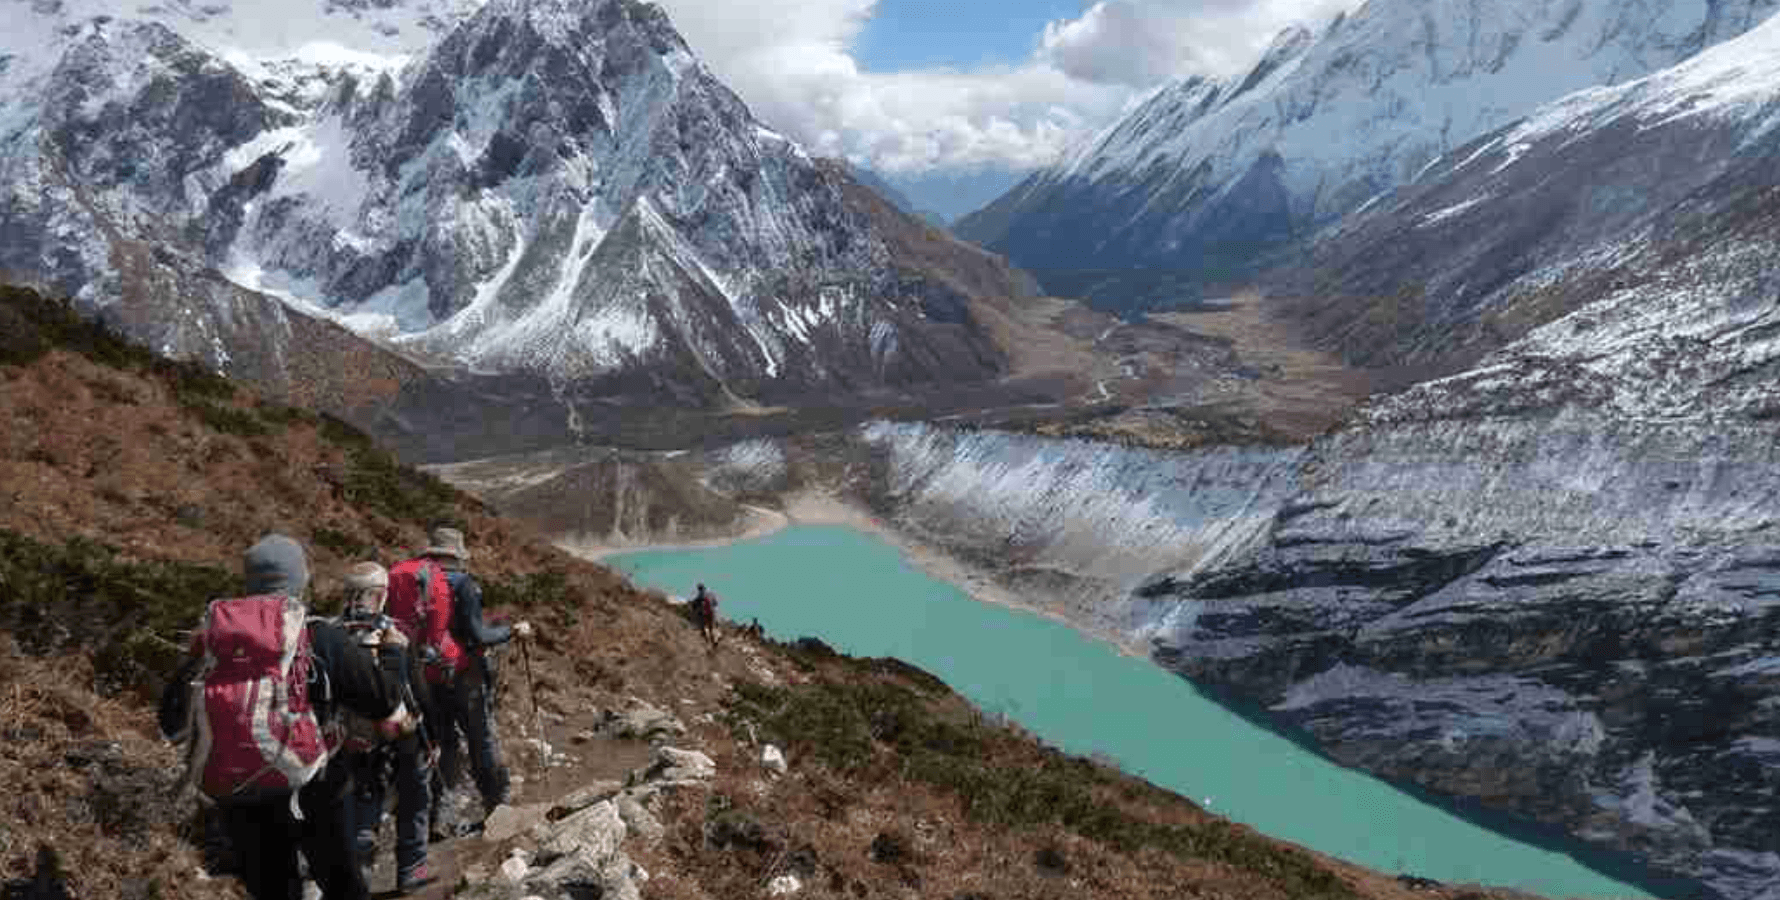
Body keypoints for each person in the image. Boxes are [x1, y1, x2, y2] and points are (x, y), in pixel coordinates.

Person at [159, 534, 411, 900]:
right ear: (300, 580)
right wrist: (393, 656)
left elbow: (170, 722)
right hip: (316, 786)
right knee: (343, 886)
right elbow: (383, 700)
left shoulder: (215, 640)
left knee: (273, 889)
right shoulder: (319, 636)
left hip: (239, 791)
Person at [408, 526, 524, 834]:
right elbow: (479, 635)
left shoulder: (418, 581)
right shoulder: (464, 584)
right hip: (464, 674)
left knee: (444, 743)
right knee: (481, 739)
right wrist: (511, 630)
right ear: (458, 555)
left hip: (427, 674)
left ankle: (439, 817)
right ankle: (497, 808)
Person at [335, 562, 434, 894]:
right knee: (414, 797)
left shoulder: (330, 634)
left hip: (347, 736)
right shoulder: (398, 634)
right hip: (400, 731)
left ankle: (358, 869)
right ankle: (411, 868)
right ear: (382, 595)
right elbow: (417, 691)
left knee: (358, 797)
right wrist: (430, 737)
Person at [691, 583, 719, 649]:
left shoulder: (700, 594)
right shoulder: (710, 594)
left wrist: (694, 608)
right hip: (711, 613)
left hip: (704, 613)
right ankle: (714, 641)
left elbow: (695, 604)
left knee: (703, 627)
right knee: (711, 628)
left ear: (699, 589)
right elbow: (716, 603)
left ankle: (707, 642)